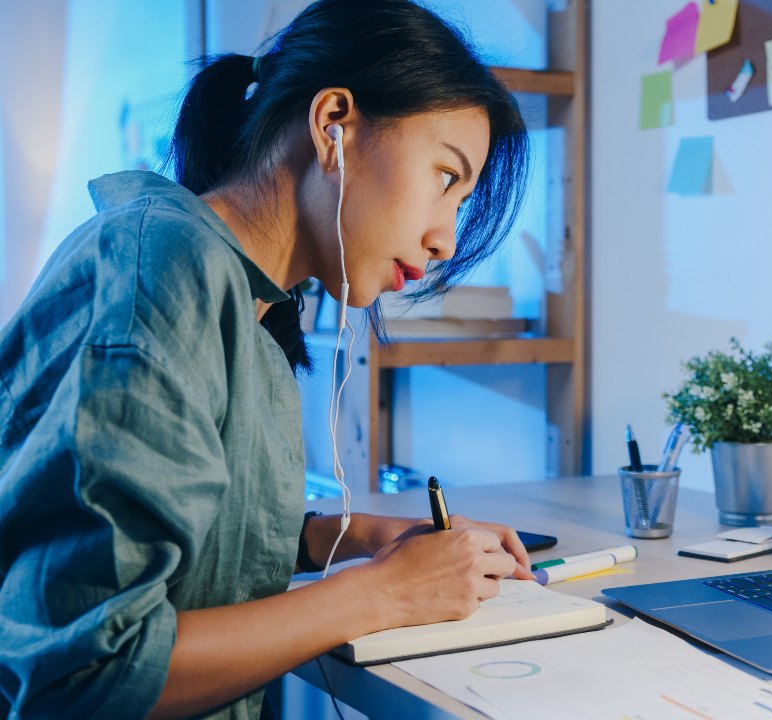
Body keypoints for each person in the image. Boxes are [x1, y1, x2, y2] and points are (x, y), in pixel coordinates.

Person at [0, 2, 535, 718]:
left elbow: (187, 543)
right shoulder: (162, 274)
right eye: (446, 178)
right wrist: (382, 591)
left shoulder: (252, 304)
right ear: (333, 124)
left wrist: (341, 540)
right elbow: (86, 672)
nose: (446, 239)